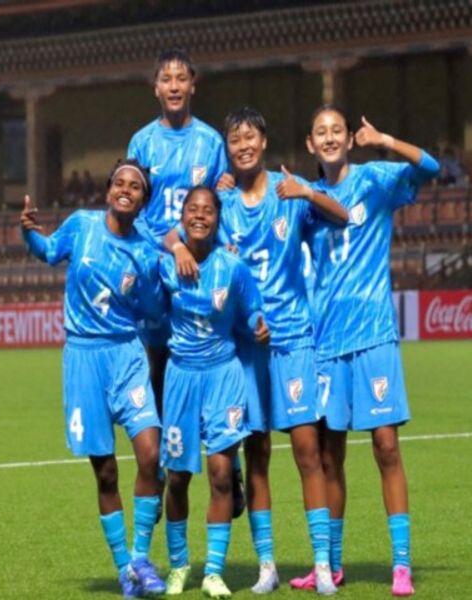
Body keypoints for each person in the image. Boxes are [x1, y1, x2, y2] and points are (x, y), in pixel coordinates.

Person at [165, 107, 348, 595]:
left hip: (292, 340)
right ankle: (267, 564)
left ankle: (322, 563)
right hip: (244, 350)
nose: (243, 146)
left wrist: (308, 191)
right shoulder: (221, 202)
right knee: (258, 453)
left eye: (250, 138)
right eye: (235, 140)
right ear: (228, 149)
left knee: (308, 451)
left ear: (264, 142)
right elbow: (173, 231)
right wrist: (178, 247)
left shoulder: (289, 193)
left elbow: (344, 215)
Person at [288, 105, 439, 597]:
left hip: (373, 335)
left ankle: (401, 565)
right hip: (326, 342)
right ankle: (331, 565)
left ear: (349, 139)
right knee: (330, 458)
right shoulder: (304, 201)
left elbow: (430, 167)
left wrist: (385, 140)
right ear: (310, 144)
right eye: (321, 132)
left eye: (338, 130)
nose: (330, 138)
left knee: (386, 447)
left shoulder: (374, 180)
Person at [20, 158, 167, 599]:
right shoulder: (82, 225)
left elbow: (152, 308)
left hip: (126, 355)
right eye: (120, 182)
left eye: (135, 186)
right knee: (105, 474)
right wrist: (28, 232)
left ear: (143, 201)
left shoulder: (145, 251)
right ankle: (126, 571)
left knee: (150, 454)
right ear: (108, 191)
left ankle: (142, 558)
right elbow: (49, 252)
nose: (126, 189)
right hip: (83, 359)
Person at [126, 47, 244, 519]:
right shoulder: (141, 142)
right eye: (166, 79)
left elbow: (219, 205)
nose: (174, 86)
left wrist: (220, 247)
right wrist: (171, 248)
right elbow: (132, 208)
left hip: (202, 269)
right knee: (158, 369)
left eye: (181, 78)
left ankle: (228, 466)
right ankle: (159, 473)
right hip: (160, 271)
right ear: (155, 87)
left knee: (214, 359)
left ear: (193, 85)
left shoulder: (211, 142)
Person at [159, 186, 270, 598]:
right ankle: (178, 565)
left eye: (208, 210)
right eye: (193, 209)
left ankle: (213, 571)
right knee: (177, 478)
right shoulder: (165, 267)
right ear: (182, 217)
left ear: (217, 219)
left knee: (222, 474)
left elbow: (253, 307)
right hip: (181, 378)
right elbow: (150, 308)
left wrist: (258, 323)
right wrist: (174, 248)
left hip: (224, 375)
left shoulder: (233, 267)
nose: (200, 216)